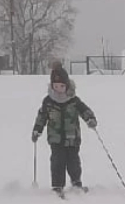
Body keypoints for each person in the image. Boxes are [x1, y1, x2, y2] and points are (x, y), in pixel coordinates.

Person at [31, 62, 97, 193]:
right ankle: (57, 186)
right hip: (55, 139)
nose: (59, 88)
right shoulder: (48, 101)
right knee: (57, 162)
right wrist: (37, 130)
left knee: (73, 162)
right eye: (55, 86)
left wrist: (90, 119)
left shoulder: (74, 100)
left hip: (73, 137)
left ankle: (76, 183)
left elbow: (84, 110)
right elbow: (42, 117)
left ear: (67, 85)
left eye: (61, 86)